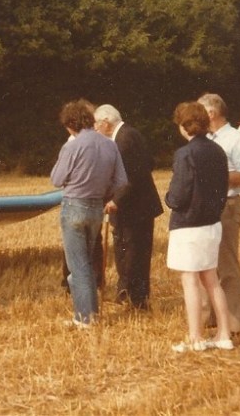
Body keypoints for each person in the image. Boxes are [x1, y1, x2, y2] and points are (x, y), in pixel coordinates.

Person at [51, 98, 127, 327]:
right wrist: (104, 192)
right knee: (86, 263)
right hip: (96, 208)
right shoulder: (109, 144)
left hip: (74, 206)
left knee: (79, 265)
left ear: (70, 124)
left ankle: (84, 318)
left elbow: (56, 179)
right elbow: (121, 180)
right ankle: (89, 313)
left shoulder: (72, 146)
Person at [165, 101, 234, 352]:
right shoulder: (218, 151)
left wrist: (168, 199)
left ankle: (195, 338)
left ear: (184, 127)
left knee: (190, 281)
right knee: (211, 280)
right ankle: (224, 335)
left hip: (188, 225)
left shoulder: (185, 154)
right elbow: (223, 188)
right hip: (212, 223)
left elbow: (179, 195)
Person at [94, 104, 163, 310]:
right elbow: (149, 163)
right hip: (133, 206)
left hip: (136, 208)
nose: (95, 129)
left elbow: (131, 175)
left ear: (106, 123)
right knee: (128, 251)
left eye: (96, 124)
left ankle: (137, 299)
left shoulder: (125, 139)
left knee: (135, 253)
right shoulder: (127, 135)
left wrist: (116, 200)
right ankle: (127, 293)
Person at [197, 93, 240, 337]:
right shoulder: (206, 139)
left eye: (199, 111)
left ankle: (235, 323)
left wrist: (215, 175)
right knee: (205, 263)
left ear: (211, 113)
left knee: (226, 265)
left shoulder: (235, 139)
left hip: (227, 206)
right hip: (206, 207)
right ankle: (212, 317)